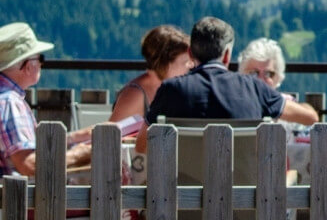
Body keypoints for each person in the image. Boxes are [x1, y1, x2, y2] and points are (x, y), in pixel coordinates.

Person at [136, 17, 318, 153]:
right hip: (242, 199)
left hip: (183, 199)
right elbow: (310, 118)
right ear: (226, 56)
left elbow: (142, 145)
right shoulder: (254, 88)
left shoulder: (171, 90)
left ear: (190, 53)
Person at [0, 22, 92, 176]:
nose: (42, 64)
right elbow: (28, 164)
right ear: (28, 65)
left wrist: (72, 138)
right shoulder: (10, 102)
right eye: (40, 58)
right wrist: (79, 154)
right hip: (15, 199)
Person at [108, 25, 194, 123]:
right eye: (185, 62)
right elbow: (112, 134)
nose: (191, 66)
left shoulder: (172, 89)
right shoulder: (136, 95)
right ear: (164, 64)